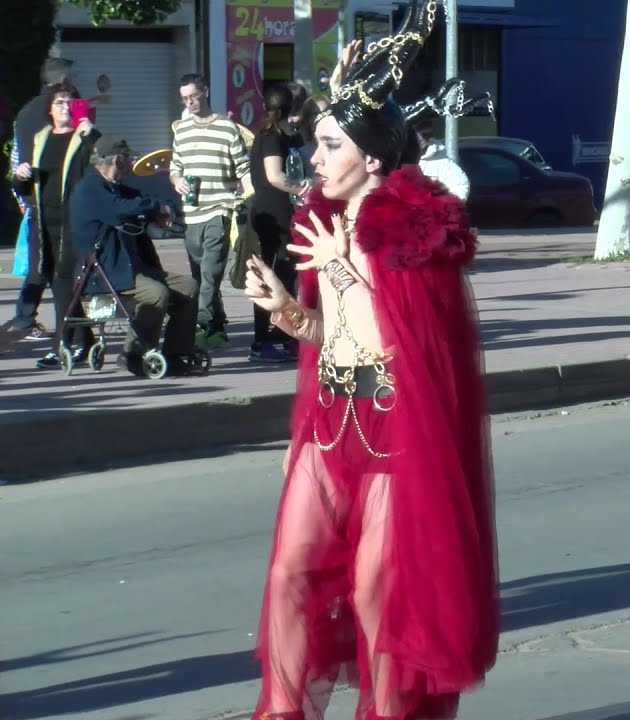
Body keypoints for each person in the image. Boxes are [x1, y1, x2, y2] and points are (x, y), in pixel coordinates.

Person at [242, 4, 498, 717]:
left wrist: (348, 269)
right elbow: (330, 334)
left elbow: (415, 344)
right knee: (291, 572)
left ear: (372, 158)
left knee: (377, 592)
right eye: (315, 146)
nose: (314, 160)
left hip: (397, 427)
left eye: (328, 146)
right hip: (330, 419)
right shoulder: (324, 222)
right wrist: (285, 311)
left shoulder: (415, 226)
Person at [69, 135, 201, 376]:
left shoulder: (113, 186)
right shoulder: (90, 189)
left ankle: (176, 353)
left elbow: (140, 199)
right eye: (128, 160)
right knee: (156, 293)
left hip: (129, 267)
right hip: (104, 272)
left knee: (189, 286)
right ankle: (133, 353)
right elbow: (123, 208)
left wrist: (163, 208)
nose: (131, 165)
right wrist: (154, 208)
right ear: (117, 161)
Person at [12, 81, 101, 370]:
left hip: (72, 222)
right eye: (59, 102)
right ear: (50, 109)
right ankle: (84, 340)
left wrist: (91, 134)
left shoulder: (83, 138)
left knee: (65, 282)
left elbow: (102, 168)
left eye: (69, 102)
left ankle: (60, 345)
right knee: (53, 281)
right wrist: (20, 176)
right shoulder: (41, 138)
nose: (64, 107)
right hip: (43, 222)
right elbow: (26, 187)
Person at [170, 73, 251, 349]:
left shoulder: (228, 128)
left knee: (210, 272)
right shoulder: (181, 130)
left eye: (193, 96)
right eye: (185, 98)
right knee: (199, 276)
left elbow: (244, 169)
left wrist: (249, 203)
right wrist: (177, 180)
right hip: (192, 212)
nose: (190, 102)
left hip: (220, 209)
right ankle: (217, 327)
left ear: (205, 92)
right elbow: (175, 167)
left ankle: (200, 326)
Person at [9, 57, 73, 338]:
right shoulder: (59, 112)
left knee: (40, 263)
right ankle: (62, 323)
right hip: (55, 195)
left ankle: (26, 316)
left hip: (32, 194)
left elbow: (17, 158)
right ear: (61, 80)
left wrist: (22, 193)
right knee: (58, 265)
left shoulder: (24, 113)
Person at [248, 83, 311, 363]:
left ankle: (284, 337)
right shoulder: (271, 136)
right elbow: (275, 176)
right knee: (272, 275)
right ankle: (263, 341)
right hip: (272, 213)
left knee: (284, 276)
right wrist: (301, 188)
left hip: (278, 211)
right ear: (290, 111)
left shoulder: (282, 135)